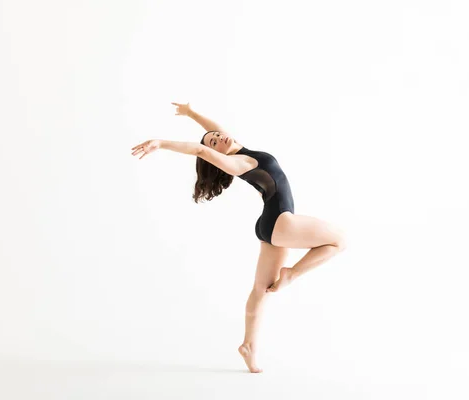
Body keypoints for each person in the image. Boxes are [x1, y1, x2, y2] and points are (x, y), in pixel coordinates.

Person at [131, 102, 346, 373]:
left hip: (270, 224)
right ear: (215, 154)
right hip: (282, 221)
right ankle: (292, 274)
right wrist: (161, 143)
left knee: (261, 290)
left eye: (217, 136)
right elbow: (199, 148)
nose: (219, 137)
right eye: (215, 142)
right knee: (340, 240)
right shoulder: (236, 162)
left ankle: (248, 347)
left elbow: (211, 133)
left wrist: (191, 114)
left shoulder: (238, 148)